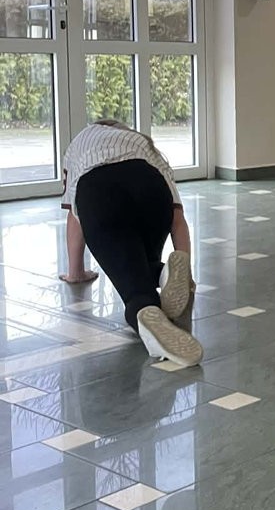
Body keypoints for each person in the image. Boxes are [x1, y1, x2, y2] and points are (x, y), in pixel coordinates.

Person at [58, 119, 202, 367]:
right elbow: (177, 218)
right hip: (149, 185)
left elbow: (74, 217)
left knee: (135, 289)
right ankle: (165, 274)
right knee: (143, 263)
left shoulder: (78, 145)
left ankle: (145, 310)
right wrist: (185, 270)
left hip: (99, 191)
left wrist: (76, 273)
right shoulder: (142, 143)